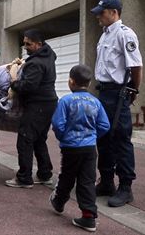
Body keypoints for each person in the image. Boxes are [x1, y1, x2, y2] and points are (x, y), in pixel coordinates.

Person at [90, 0, 143, 207]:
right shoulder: (104, 36)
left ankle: (126, 187)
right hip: (103, 92)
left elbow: (136, 66)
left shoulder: (124, 34)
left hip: (117, 93)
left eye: (101, 13)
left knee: (121, 139)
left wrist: (133, 89)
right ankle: (106, 182)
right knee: (103, 137)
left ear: (114, 12)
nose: (98, 17)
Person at [49, 64, 110, 232]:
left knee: (67, 176)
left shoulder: (66, 101)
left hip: (71, 147)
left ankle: (59, 202)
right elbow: (104, 125)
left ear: (71, 82)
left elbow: (57, 124)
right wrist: (93, 137)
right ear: (89, 83)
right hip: (90, 147)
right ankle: (88, 216)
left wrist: (64, 137)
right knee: (87, 181)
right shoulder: (96, 102)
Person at [5, 29, 57, 188]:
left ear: (39, 44)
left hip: (37, 105)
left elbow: (28, 86)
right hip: (48, 104)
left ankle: (24, 178)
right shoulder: (48, 55)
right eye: (24, 43)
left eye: (29, 44)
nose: (25, 46)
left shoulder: (36, 63)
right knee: (39, 140)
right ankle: (45, 174)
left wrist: (13, 81)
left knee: (25, 140)